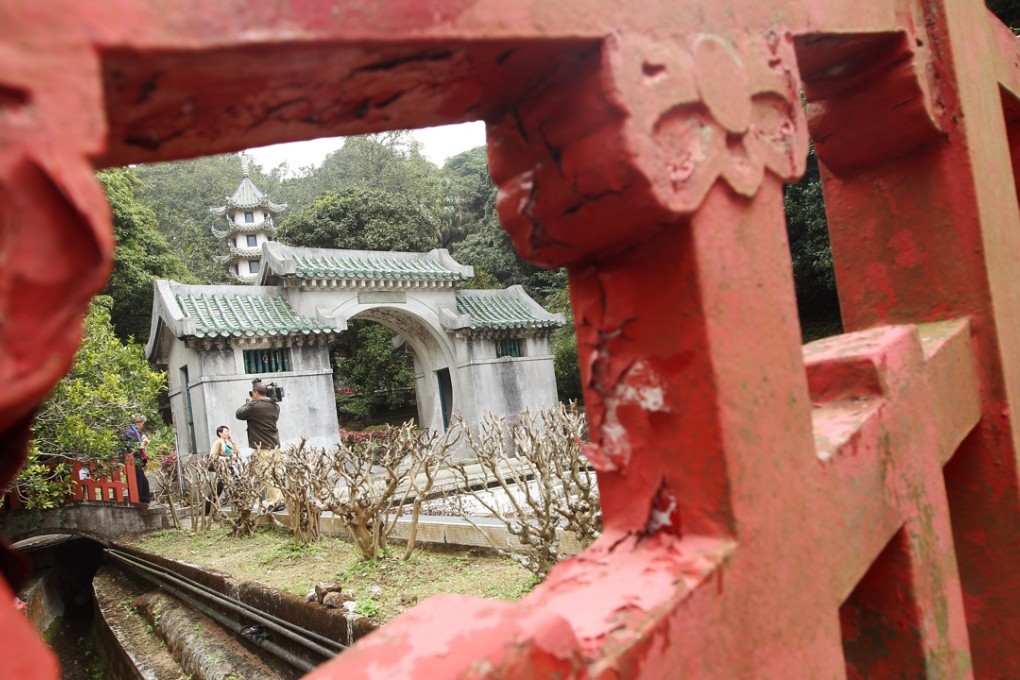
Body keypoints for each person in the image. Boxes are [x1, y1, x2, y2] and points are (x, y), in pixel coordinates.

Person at [235, 382, 284, 511]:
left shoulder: (255, 405)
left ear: (256, 392)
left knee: (266, 475)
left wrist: (249, 402)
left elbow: (239, 414)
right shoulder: (275, 406)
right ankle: (279, 500)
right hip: (275, 446)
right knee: (276, 474)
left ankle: (274, 502)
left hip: (262, 447)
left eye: (253, 393)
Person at [205, 425, 235, 515]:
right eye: (226, 431)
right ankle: (207, 510)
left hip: (229, 467)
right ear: (220, 433)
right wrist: (224, 458)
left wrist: (232, 441)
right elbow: (212, 456)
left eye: (228, 431)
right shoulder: (218, 442)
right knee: (218, 489)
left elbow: (237, 452)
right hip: (222, 467)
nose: (227, 433)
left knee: (238, 484)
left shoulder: (227, 444)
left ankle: (242, 505)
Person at [123, 414, 152, 503]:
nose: (142, 426)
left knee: (144, 483)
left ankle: (144, 502)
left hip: (136, 462)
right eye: (142, 424)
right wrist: (143, 443)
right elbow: (133, 449)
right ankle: (140, 503)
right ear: (138, 423)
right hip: (132, 462)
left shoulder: (134, 432)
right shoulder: (130, 433)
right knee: (139, 484)